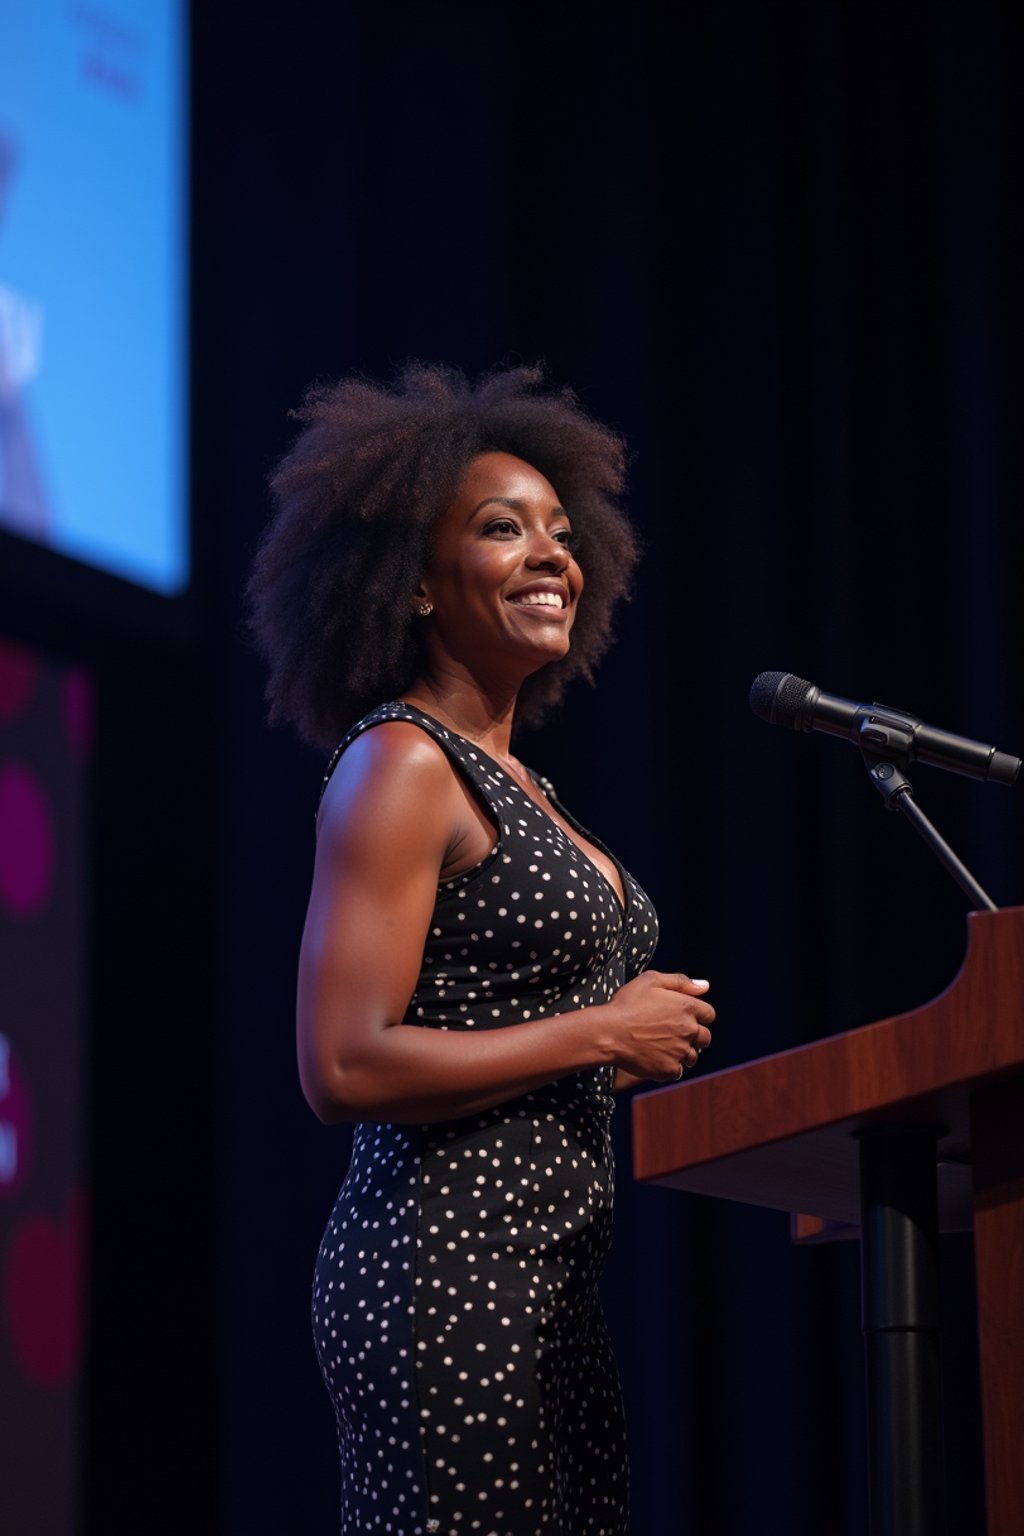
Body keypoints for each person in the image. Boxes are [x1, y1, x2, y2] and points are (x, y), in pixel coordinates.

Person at [247, 363, 714, 1536]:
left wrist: (596, 1056)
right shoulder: (402, 764)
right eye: (503, 530)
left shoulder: (526, 787)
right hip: (445, 1271)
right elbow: (340, 1066)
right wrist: (602, 1030)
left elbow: (487, 1025)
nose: (552, 555)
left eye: (563, 533)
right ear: (410, 582)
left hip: (549, 1280)